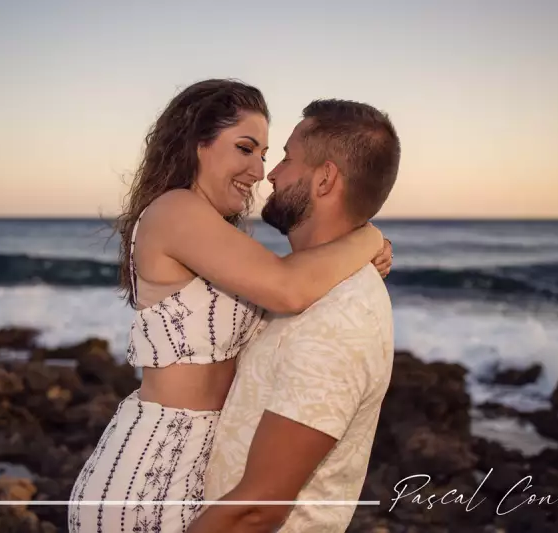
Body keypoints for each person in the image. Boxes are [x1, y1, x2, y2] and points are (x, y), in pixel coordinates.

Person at [67, 80, 393, 533]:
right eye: (245, 148)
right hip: (152, 469)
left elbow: (295, 282)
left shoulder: (221, 239)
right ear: (198, 144)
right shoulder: (174, 211)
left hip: (193, 467)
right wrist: (368, 237)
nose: (260, 171)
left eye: (264, 154)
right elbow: (288, 287)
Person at [188, 98, 401, 533]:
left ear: (324, 179)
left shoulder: (340, 317)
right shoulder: (297, 285)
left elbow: (258, 510)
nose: (271, 173)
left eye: (286, 157)